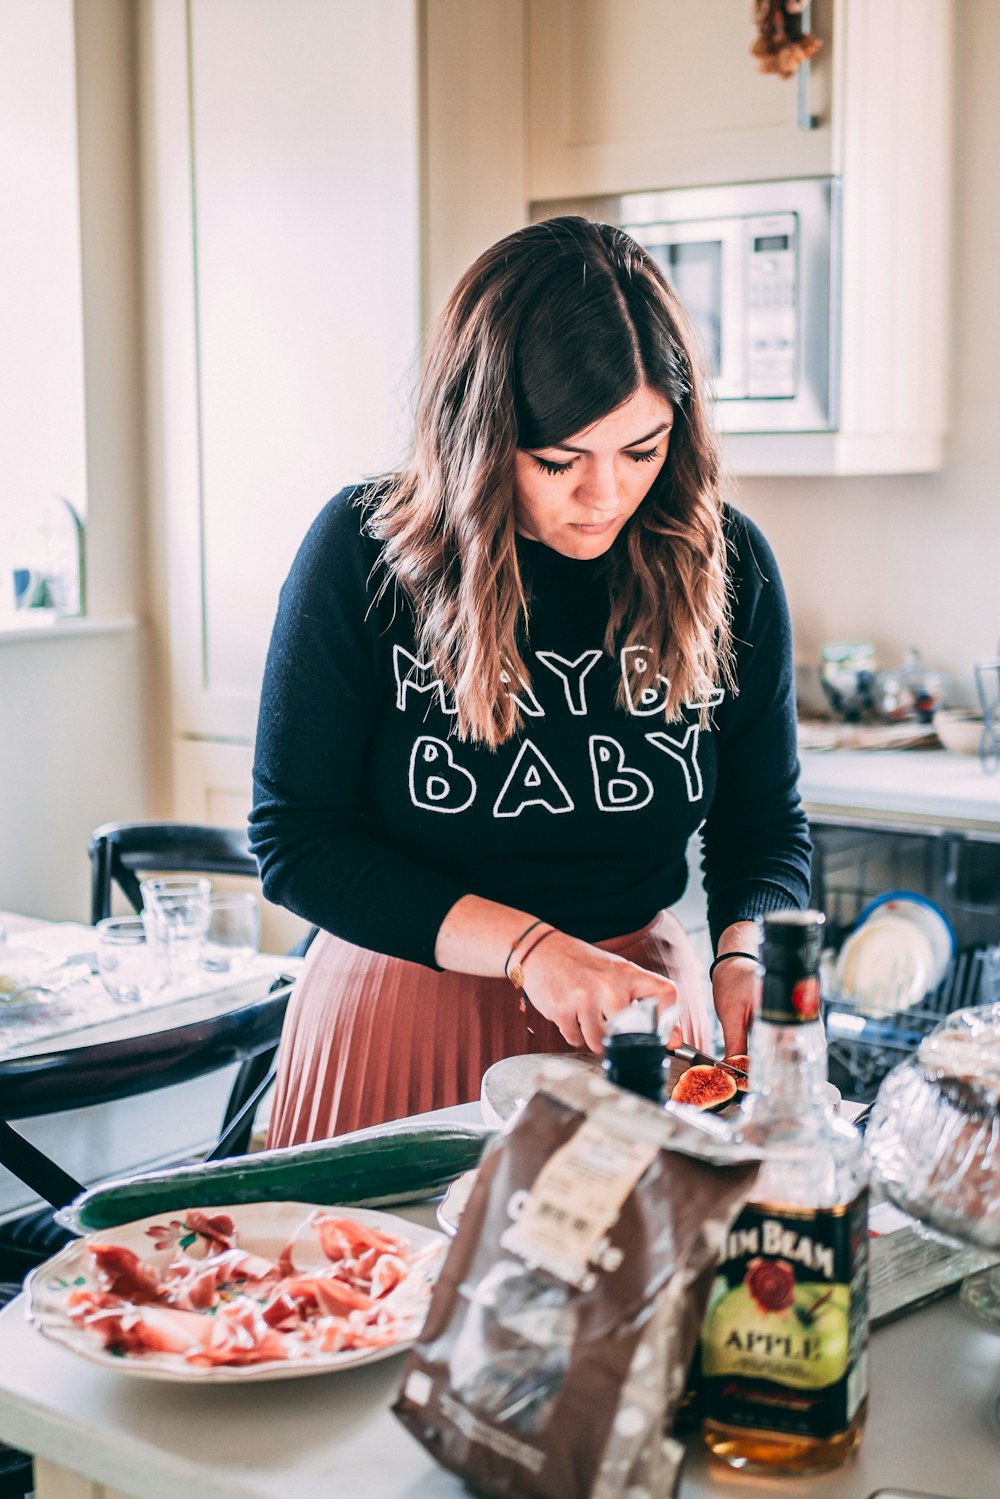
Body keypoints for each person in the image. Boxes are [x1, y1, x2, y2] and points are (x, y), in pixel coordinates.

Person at [250, 216, 811, 1146]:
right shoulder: (366, 553)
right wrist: (532, 950)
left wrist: (746, 952)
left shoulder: (727, 562)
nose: (606, 497)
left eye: (643, 449)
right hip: (403, 1012)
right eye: (559, 461)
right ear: (481, 435)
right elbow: (295, 840)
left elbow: (765, 826)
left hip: (634, 1029)